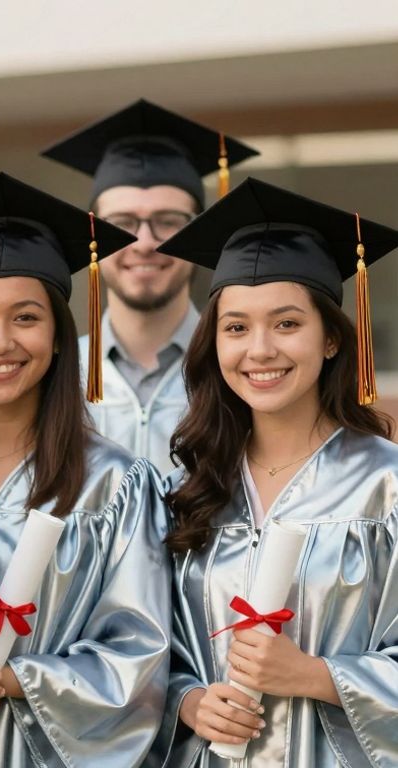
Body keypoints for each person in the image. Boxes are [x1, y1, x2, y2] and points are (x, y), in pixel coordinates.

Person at [0, 172, 172, 767]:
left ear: (58, 334)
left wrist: (15, 679)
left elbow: (140, 657)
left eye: (25, 317)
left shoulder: (117, 485)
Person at [154, 178, 398, 767]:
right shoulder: (192, 486)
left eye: (287, 324)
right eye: (236, 328)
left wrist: (317, 676)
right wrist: (185, 701)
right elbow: (145, 649)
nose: (259, 350)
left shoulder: (386, 487)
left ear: (333, 339)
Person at [42, 99, 257, 473]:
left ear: (200, 230)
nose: (144, 242)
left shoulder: (244, 368)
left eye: (169, 220)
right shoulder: (51, 372)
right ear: (93, 231)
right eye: (122, 222)